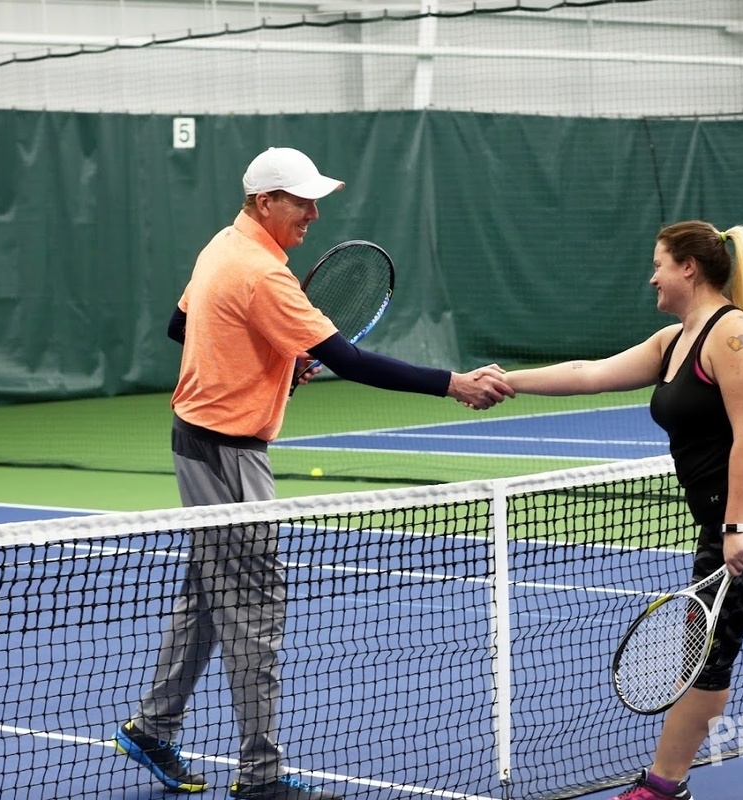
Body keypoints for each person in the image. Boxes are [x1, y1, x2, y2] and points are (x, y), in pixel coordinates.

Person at [113, 146, 514, 800]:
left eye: (313, 199)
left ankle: (154, 726)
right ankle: (263, 775)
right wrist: (454, 385)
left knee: (212, 600)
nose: (313, 212)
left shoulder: (221, 247)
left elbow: (179, 324)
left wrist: (269, 359)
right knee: (254, 613)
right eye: (300, 200)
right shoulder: (263, 275)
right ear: (264, 201)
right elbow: (349, 361)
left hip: (194, 441)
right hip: (229, 455)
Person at [501, 221, 743, 800]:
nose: (651, 276)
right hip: (724, 518)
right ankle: (663, 787)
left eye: (658, 263)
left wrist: (734, 529)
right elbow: (589, 374)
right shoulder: (674, 340)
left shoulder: (736, 339)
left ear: (689, 268)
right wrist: (506, 382)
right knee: (704, 656)